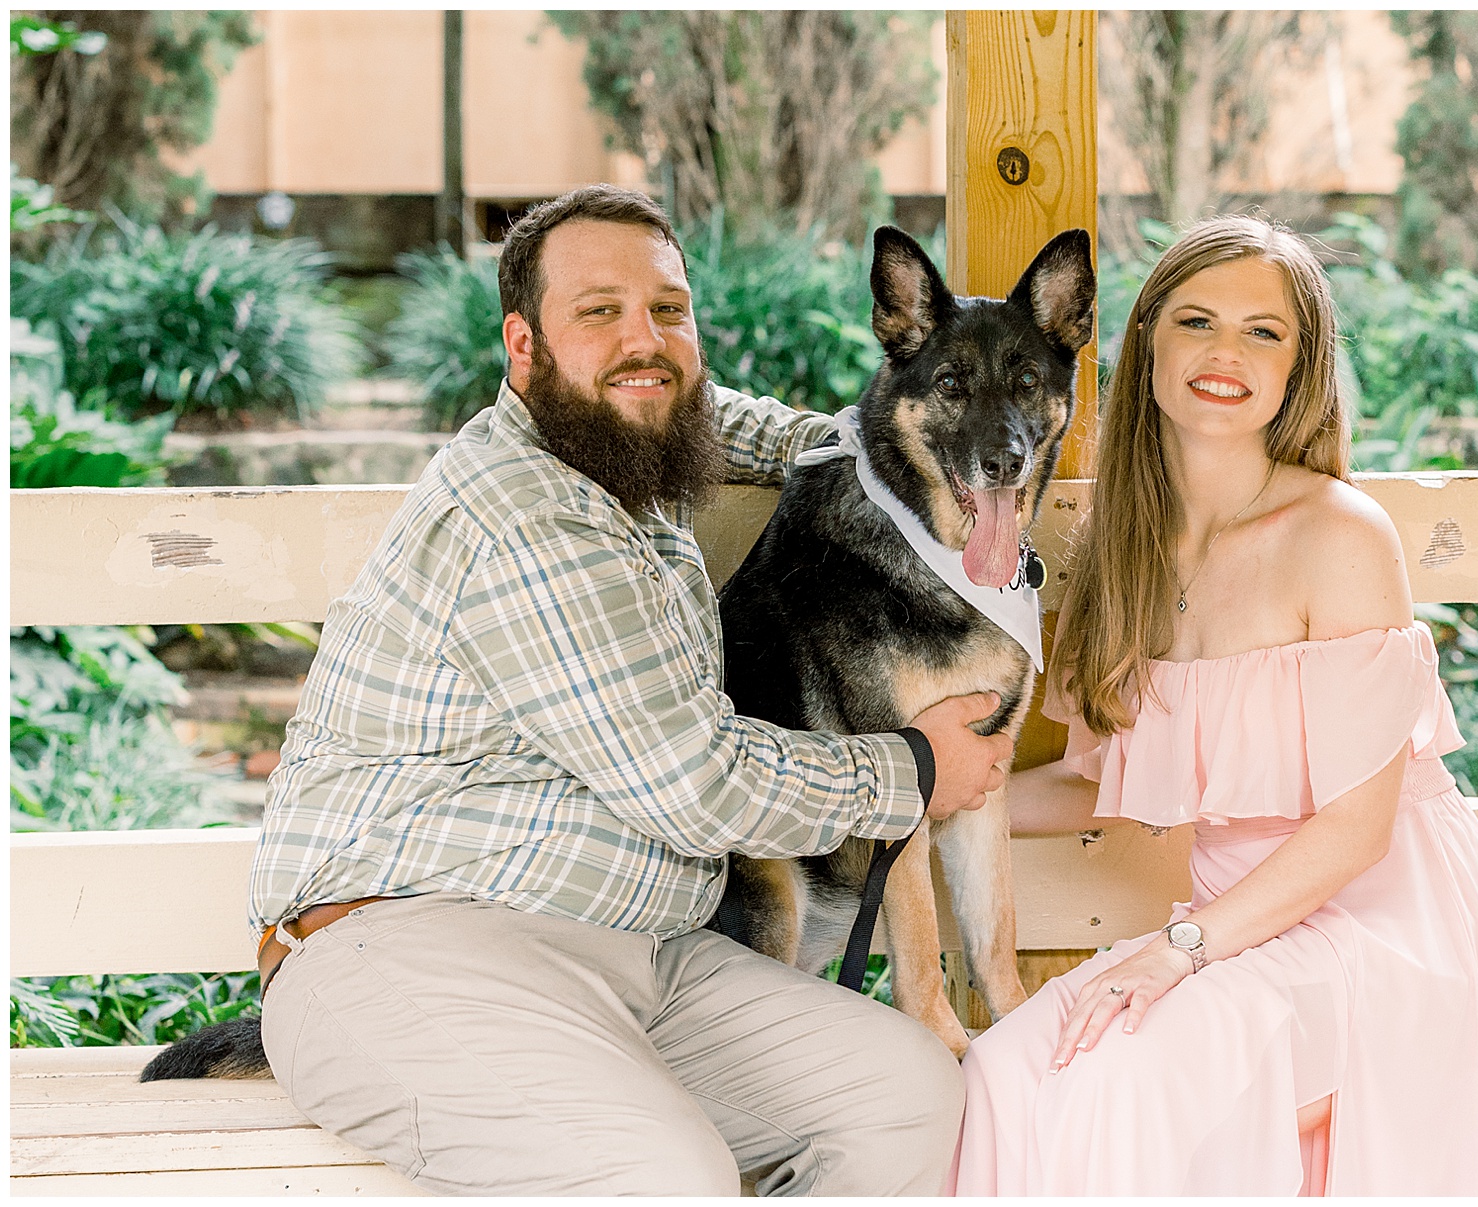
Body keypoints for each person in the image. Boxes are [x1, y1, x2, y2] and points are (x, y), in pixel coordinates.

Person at [247, 184, 1012, 1196]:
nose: (643, 339)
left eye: (667, 309)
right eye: (598, 311)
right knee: (661, 1175)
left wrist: (870, 450)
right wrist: (914, 768)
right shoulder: (526, 513)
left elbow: (717, 414)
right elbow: (691, 782)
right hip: (412, 951)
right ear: (523, 347)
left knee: (904, 1092)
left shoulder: (625, 438)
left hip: (639, 960)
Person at [946, 215, 1478, 1196]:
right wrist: (925, 795)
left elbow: (1358, 831)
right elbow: (1089, 777)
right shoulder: (1127, 545)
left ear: (1298, 367)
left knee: (1130, 1079)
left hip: (1378, 936)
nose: (1226, 353)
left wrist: (1181, 951)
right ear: (1148, 346)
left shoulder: (1340, 536)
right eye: (1197, 321)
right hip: (1238, 935)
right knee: (1008, 1072)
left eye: (1264, 331)